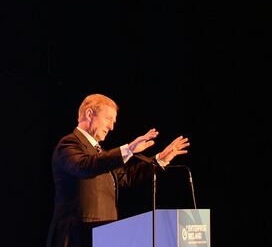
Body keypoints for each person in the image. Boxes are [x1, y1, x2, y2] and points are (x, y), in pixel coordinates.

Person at [46, 94, 190, 247]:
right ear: (89, 114)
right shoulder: (68, 144)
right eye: (108, 119)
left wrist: (160, 158)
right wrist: (128, 149)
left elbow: (125, 177)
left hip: (105, 234)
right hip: (78, 236)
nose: (111, 127)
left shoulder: (100, 153)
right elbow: (85, 166)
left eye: (113, 122)